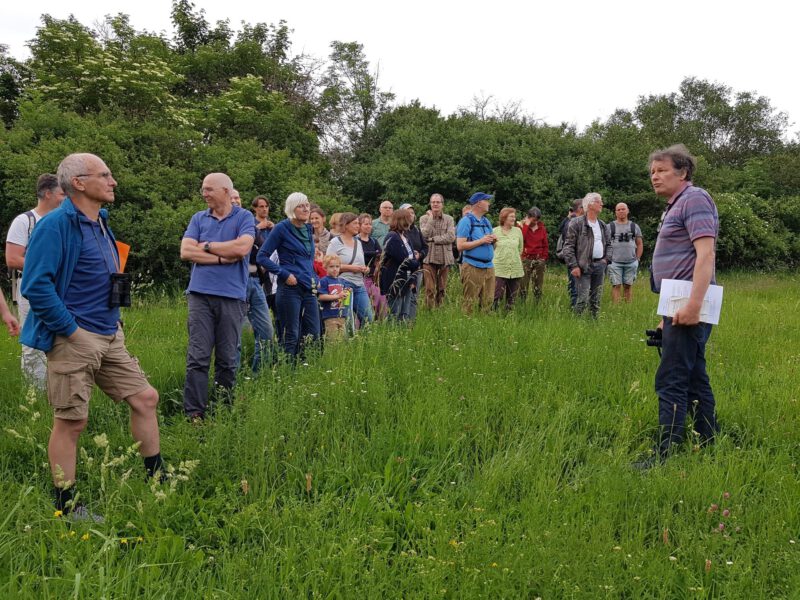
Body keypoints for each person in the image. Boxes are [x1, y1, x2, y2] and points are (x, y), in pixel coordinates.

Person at [21, 153, 162, 519]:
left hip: (109, 334)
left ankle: (157, 480)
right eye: (105, 174)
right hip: (74, 338)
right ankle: (66, 508)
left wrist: (114, 321)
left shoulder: (101, 222)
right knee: (71, 421)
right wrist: (72, 331)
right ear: (79, 183)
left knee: (145, 398)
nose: (113, 181)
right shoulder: (54, 227)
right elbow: (36, 287)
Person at [641, 144, 719, 466]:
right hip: (679, 306)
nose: (655, 177)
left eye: (661, 170)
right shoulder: (675, 204)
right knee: (693, 376)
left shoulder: (694, 199)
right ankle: (708, 439)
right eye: (652, 172)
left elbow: (706, 255)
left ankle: (665, 454)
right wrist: (666, 316)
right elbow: (681, 265)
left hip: (690, 306)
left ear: (683, 171)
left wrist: (693, 306)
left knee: (671, 378)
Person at [180, 173, 255, 419]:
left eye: (209, 189)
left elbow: (242, 248)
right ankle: (194, 414)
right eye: (203, 189)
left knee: (227, 357)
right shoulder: (198, 218)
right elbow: (185, 251)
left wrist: (206, 245)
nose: (204, 193)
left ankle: (223, 408)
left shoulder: (244, 217)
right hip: (199, 295)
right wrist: (223, 257)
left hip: (231, 297)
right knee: (197, 356)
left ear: (225, 191)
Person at [5, 173, 65, 387]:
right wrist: (47, 269)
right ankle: (36, 394)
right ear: (48, 194)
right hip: (33, 287)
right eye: (61, 193)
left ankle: (58, 389)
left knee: (63, 338)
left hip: (62, 288)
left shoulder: (63, 221)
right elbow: (12, 259)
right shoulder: (25, 221)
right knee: (35, 341)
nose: (65, 198)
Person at [256, 193, 321, 358]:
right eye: (301, 206)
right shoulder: (281, 228)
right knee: (291, 334)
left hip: (309, 286)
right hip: (289, 288)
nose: (306, 209)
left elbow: (308, 259)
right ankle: (287, 372)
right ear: (292, 209)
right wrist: (284, 274)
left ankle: (307, 371)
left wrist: (316, 277)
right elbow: (262, 257)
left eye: (307, 205)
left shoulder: (308, 228)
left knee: (314, 333)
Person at [562, 192, 610, 318]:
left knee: (596, 299)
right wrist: (574, 266)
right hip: (583, 267)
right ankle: (576, 325)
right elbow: (568, 246)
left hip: (600, 265)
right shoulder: (576, 223)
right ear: (590, 205)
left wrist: (606, 260)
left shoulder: (603, 225)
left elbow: (609, 245)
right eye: (599, 201)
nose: (602, 204)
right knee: (582, 299)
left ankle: (593, 324)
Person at [242, 196, 275, 373]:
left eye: (266, 206)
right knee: (239, 330)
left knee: (267, 330)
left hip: (260, 278)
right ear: (254, 208)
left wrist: (274, 229)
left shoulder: (270, 226)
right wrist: (257, 230)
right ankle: (233, 379)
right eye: (260, 206)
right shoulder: (249, 223)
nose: (264, 209)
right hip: (241, 278)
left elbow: (269, 251)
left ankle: (258, 374)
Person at [326, 212, 374, 329]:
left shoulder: (358, 242)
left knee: (368, 318)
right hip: (344, 285)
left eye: (358, 223)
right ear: (346, 225)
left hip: (359, 284)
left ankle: (364, 344)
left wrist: (365, 269)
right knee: (346, 319)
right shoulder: (335, 242)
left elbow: (360, 262)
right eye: (355, 223)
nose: (358, 226)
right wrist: (351, 268)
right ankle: (347, 344)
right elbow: (328, 264)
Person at [456, 192, 496, 314]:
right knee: (470, 302)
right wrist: (481, 240)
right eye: (486, 200)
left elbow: (491, 245)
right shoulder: (466, 221)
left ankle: (484, 328)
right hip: (473, 266)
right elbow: (460, 245)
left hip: (489, 267)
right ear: (478, 203)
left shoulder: (486, 221)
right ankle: (466, 328)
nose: (489, 203)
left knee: (488, 301)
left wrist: (494, 240)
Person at [380, 208, 419, 322]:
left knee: (404, 313)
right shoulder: (393, 237)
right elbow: (404, 260)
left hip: (407, 279)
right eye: (408, 217)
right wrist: (416, 263)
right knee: (395, 312)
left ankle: (402, 335)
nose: (411, 219)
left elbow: (410, 258)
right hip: (395, 279)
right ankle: (392, 335)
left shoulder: (405, 236)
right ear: (402, 220)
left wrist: (413, 280)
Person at [419, 193, 455, 308]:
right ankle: (429, 311)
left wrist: (433, 239)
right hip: (428, 258)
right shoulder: (424, 219)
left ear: (442, 204)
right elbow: (424, 235)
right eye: (433, 202)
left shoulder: (449, 219)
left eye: (438, 202)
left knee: (442, 288)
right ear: (430, 204)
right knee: (429, 288)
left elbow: (451, 237)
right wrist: (430, 218)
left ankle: (439, 310)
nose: (435, 204)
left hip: (445, 258)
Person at [608, 202, 643, 303]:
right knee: (616, 285)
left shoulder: (634, 226)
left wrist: (638, 258)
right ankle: (617, 309)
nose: (621, 211)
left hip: (631, 261)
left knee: (628, 285)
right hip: (614, 262)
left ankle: (627, 308)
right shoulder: (609, 226)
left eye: (623, 209)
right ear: (615, 212)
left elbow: (639, 243)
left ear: (628, 211)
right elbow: (604, 243)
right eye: (618, 210)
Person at [399, 203, 428, 320]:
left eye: (412, 213)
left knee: (414, 296)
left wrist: (420, 255)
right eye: (407, 212)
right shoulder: (399, 231)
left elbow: (425, 247)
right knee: (403, 295)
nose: (410, 215)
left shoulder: (416, 230)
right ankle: (401, 322)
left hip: (417, 268)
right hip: (403, 269)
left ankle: (411, 322)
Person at [492, 207, 524, 310]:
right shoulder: (494, 231)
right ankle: (492, 315)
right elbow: (491, 249)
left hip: (515, 268)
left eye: (514, 217)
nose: (514, 219)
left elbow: (520, 248)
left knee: (512, 297)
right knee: (497, 295)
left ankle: (509, 317)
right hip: (499, 268)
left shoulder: (518, 231)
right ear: (504, 217)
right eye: (511, 216)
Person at [358, 213, 387, 319]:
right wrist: (373, 253)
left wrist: (375, 256)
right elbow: (361, 254)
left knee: (381, 300)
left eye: (370, 224)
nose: (368, 226)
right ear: (359, 225)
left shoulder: (374, 241)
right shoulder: (356, 241)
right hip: (361, 277)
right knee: (365, 305)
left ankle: (380, 325)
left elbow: (380, 255)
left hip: (374, 277)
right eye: (365, 224)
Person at [317, 255, 352, 342]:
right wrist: (337, 296)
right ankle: (330, 355)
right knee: (332, 341)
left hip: (342, 315)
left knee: (342, 341)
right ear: (325, 267)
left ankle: (339, 355)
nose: (335, 269)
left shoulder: (341, 281)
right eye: (331, 266)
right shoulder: (324, 280)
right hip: (330, 316)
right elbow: (320, 296)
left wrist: (347, 292)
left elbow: (344, 295)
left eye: (337, 266)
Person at [557, 199, 584, 308]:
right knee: (576, 287)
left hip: (574, 259)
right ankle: (576, 311)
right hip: (575, 260)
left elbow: (560, 228)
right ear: (581, 208)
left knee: (575, 286)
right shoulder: (573, 223)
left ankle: (577, 309)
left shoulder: (568, 221)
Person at [519, 207, 548, 303]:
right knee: (523, 284)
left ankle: (537, 304)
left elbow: (545, 244)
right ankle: (521, 304)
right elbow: (520, 240)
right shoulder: (521, 227)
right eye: (533, 220)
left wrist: (543, 258)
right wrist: (526, 225)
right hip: (526, 259)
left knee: (538, 285)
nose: (535, 222)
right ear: (528, 217)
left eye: (537, 220)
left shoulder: (542, 228)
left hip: (539, 259)